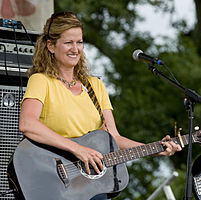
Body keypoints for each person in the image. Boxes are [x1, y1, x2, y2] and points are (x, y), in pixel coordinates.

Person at [18, 11, 182, 200]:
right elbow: (27, 124)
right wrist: (78, 149)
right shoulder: (41, 81)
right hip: (53, 180)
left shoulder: (95, 86)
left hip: (88, 184)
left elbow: (114, 138)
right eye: (68, 42)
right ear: (51, 46)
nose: (75, 49)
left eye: (79, 42)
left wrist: (154, 148)